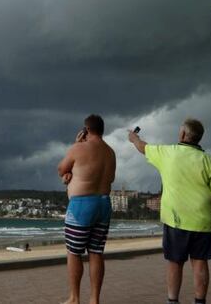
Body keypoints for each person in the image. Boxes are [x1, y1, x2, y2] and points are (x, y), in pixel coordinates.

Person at [128, 118, 211, 304]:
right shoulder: (208, 161)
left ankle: (172, 301)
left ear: (182, 134)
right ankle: (200, 301)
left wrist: (133, 138)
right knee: (200, 263)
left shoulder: (167, 153)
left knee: (175, 262)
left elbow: (143, 147)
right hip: (203, 222)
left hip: (176, 222)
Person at [57, 114, 116, 304]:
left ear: (86, 130)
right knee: (96, 252)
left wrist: (76, 145)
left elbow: (61, 168)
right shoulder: (111, 152)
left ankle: (74, 298)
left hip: (82, 205)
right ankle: (94, 300)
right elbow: (110, 179)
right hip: (104, 204)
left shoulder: (78, 148)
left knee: (74, 253)